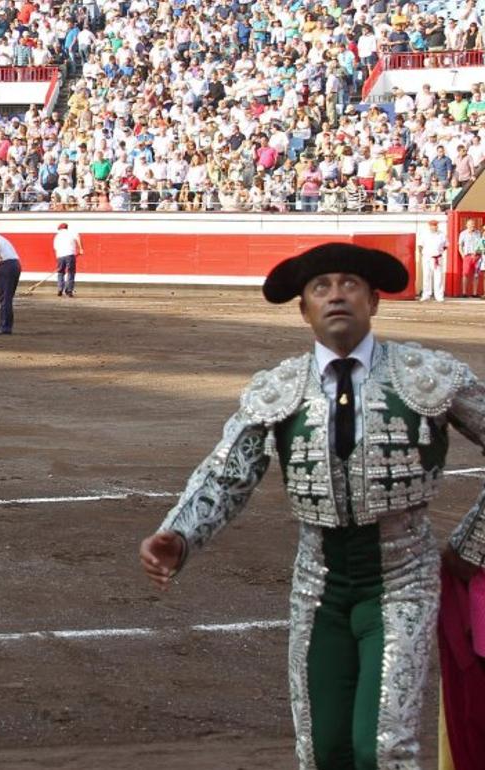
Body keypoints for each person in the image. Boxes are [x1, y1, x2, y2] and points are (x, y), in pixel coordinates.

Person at [138, 243, 485, 770]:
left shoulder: (428, 376)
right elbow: (227, 474)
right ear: (304, 309)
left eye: (350, 284)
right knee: (323, 750)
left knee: (384, 748)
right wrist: (180, 533)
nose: (336, 295)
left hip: (404, 583)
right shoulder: (278, 389)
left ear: (373, 301)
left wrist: (472, 543)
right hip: (317, 587)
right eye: (321, 287)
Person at [418, 219, 448, 302]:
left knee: (438, 277)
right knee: (426, 276)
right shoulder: (424, 234)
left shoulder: (442, 234)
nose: (434, 227)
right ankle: (426, 295)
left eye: (435, 225)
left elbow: (446, 245)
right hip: (427, 257)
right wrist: (423, 254)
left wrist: (439, 252)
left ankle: (439, 295)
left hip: (437, 258)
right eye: (432, 225)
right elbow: (420, 245)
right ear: (429, 226)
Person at [53, 222, 82, 297]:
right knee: (71, 272)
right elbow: (78, 238)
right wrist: (81, 248)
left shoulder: (57, 236)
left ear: (60, 229)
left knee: (60, 272)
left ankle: (60, 289)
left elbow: (55, 247)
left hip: (60, 256)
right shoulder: (71, 233)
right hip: (70, 255)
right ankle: (69, 291)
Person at [458, 218, 482, 299]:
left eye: (473, 224)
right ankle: (464, 292)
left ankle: (474, 293)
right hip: (467, 256)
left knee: (476, 274)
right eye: (471, 224)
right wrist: (463, 255)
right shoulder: (463, 234)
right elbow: (460, 245)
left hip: (477, 256)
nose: (472, 226)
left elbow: (481, 244)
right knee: (465, 274)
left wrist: (479, 253)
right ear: (467, 225)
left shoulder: (478, 233)